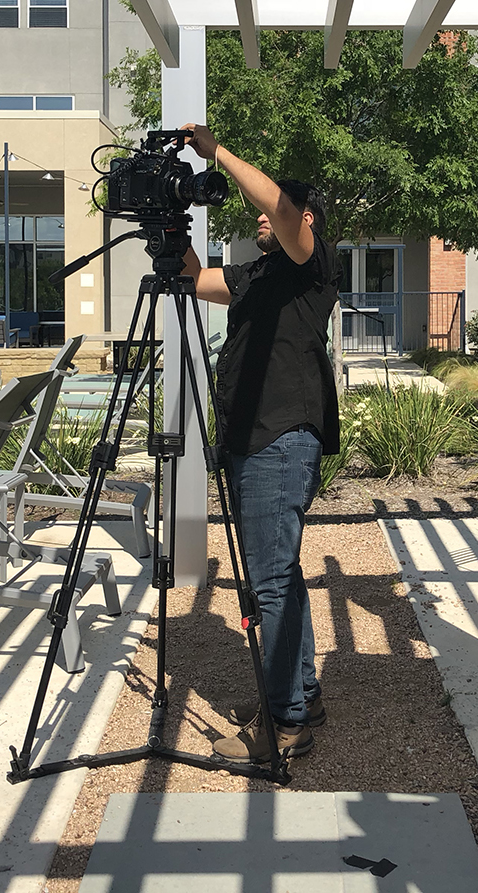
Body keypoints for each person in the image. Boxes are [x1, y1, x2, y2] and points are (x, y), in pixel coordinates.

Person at [178, 124, 339, 765]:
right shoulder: (259, 272)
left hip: (280, 439)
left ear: (304, 220)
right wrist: (170, 223)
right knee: (281, 575)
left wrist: (217, 152)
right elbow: (194, 280)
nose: (261, 217)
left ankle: (286, 722)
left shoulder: (310, 265)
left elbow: (280, 207)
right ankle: (301, 695)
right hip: (250, 439)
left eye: (276, 211)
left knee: (269, 583)